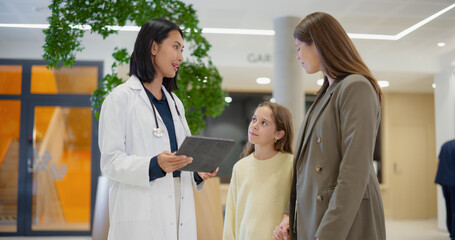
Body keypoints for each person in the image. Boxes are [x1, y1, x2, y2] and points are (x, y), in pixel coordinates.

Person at [98, 19, 218, 240]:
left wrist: (198, 174)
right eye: (175, 47)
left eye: (182, 50)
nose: (181, 57)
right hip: (141, 217)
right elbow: (110, 162)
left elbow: (182, 159)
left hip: (178, 213)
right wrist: (154, 164)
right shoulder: (120, 100)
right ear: (154, 47)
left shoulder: (175, 103)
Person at [273, 12, 386, 240]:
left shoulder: (356, 87)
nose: (297, 56)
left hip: (345, 222)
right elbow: (305, 168)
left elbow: (355, 170)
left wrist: (329, 233)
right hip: (319, 216)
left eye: (299, 47)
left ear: (318, 44)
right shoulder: (326, 93)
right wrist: (290, 216)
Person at [223, 101, 294, 240]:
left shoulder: (291, 164)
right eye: (254, 119)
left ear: (279, 134)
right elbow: (230, 216)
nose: (254, 126)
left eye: (264, 123)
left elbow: (299, 208)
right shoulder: (240, 167)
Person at [435, 139, 455, 239]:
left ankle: (451, 231)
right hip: (453, 182)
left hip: (444, 182)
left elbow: (438, 163)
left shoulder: (445, 145)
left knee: (449, 208)